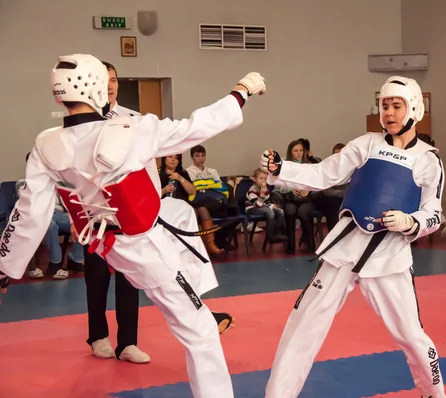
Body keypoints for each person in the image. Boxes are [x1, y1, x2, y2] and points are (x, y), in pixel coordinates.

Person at [0, 53, 265, 398]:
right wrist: (240, 92)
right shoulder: (133, 130)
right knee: (201, 330)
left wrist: (4, 269)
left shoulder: (46, 146)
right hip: (145, 249)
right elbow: (198, 126)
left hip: (106, 246)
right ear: (97, 87)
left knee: (180, 221)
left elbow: (30, 216)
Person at [261, 76, 446, 398]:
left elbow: (434, 213)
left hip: (389, 255)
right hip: (344, 248)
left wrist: (410, 222)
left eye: (396, 106)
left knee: (412, 336)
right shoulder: (367, 144)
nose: (389, 113)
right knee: (303, 325)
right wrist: (282, 169)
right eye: (385, 105)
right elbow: (323, 174)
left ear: (414, 108)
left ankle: (435, 395)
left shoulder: (429, 160)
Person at [84, 60, 149, 364]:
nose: (110, 85)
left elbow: (147, 165)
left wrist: (150, 207)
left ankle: (128, 343)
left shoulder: (134, 120)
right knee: (97, 279)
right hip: (94, 214)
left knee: (129, 278)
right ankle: (97, 336)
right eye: (104, 79)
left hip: (127, 212)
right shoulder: (82, 122)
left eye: (114, 79)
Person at [245, 168, 287, 243]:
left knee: (280, 211)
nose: (263, 180)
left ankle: (278, 233)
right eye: (260, 178)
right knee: (270, 212)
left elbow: (266, 201)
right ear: (255, 179)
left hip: (263, 207)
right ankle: (270, 236)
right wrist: (261, 195)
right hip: (252, 208)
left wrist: (271, 206)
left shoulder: (265, 188)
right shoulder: (252, 190)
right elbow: (257, 205)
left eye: (265, 178)